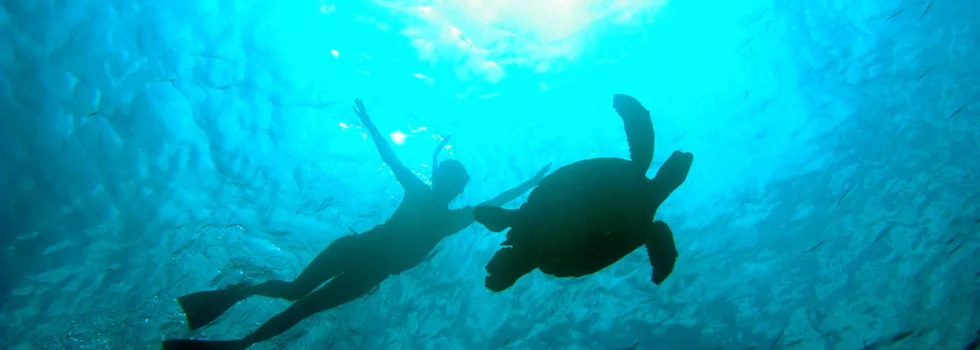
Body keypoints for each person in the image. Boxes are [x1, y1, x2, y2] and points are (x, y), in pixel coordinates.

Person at [162, 99, 550, 350]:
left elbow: (492, 203)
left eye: (453, 182)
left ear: (455, 187)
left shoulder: (449, 216)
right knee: (295, 293)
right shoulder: (431, 203)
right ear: (443, 182)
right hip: (357, 252)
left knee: (301, 307)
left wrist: (531, 183)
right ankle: (238, 295)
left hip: (367, 271)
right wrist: (369, 123)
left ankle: (239, 344)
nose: (448, 185)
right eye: (448, 179)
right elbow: (392, 157)